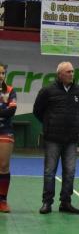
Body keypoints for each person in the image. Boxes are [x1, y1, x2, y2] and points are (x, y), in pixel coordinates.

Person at [33, 62, 79, 214]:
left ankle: (65, 203)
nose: (71, 74)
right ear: (60, 74)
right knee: (50, 171)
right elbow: (37, 111)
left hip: (71, 139)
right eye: (68, 72)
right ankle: (47, 203)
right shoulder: (47, 91)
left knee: (70, 172)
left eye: (72, 72)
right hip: (52, 138)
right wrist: (50, 123)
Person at [0, 62, 17, 213]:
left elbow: (11, 111)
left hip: (5, 131)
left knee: (4, 166)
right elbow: (5, 110)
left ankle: (2, 201)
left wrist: (5, 110)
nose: (1, 76)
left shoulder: (10, 90)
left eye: (3, 73)